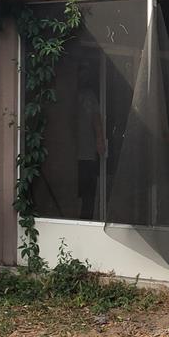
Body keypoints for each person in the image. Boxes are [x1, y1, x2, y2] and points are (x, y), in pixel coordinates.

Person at [76, 58, 105, 220]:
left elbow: (96, 119)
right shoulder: (69, 93)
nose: (85, 76)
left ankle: (86, 220)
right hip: (73, 154)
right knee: (77, 191)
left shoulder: (89, 96)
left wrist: (100, 141)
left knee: (88, 192)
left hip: (87, 153)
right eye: (83, 71)